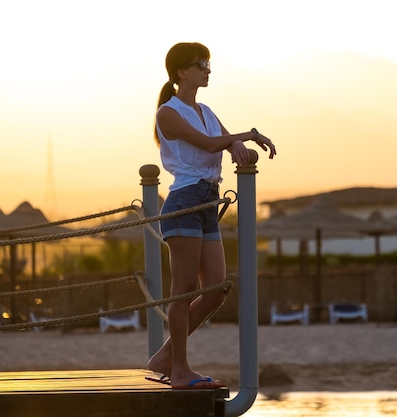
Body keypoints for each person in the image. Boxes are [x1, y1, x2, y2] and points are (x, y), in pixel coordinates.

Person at [147, 42, 276, 389]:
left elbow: (222, 140)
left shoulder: (205, 109)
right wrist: (248, 134)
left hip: (208, 202)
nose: (208, 68)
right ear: (181, 72)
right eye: (201, 63)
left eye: (208, 62)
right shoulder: (168, 113)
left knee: (217, 290)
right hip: (184, 202)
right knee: (183, 290)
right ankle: (179, 369)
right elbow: (207, 144)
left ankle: (164, 357)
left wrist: (238, 146)